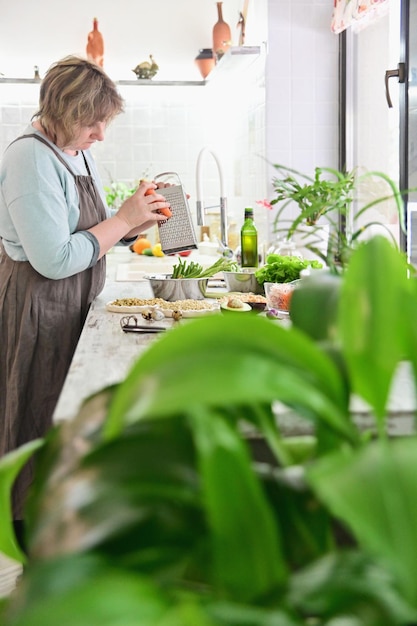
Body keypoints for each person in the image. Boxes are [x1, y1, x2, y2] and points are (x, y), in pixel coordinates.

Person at [0, 55, 172, 538]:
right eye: (91, 122)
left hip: (73, 301)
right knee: (33, 420)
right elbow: (53, 258)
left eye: (104, 122)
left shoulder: (74, 150)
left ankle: (64, 531)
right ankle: (30, 544)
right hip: (38, 305)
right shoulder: (29, 157)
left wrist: (136, 218)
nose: (101, 134)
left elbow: (89, 233)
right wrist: (121, 220)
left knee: (65, 424)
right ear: (59, 112)